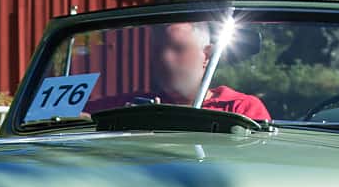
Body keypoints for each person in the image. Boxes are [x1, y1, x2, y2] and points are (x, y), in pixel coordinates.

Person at [84, 22, 270, 122]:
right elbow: (74, 115)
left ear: (207, 55)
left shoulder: (240, 109)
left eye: (178, 49)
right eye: (158, 50)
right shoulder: (131, 105)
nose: (165, 58)